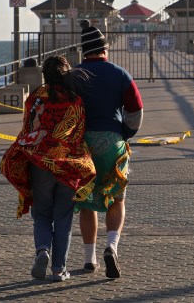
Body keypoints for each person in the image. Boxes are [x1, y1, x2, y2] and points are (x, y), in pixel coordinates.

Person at [0, 56, 96, 282]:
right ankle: (58, 269)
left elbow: (27, 130)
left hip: (39, 163)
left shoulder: (34, 99)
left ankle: (43, 250)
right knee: (63, 217)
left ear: (45, 75)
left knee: (42, 214)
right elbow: (79, 133)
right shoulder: (75, 100)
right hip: (67, 165)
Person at [74, 20, 144, 279]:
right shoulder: (120, 74)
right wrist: (126, 133)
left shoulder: (74, 75)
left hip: (82, 145)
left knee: (86, 203)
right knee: (117, 198)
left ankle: (89, 259)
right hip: (112, 142)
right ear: (105, 49)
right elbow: (136, 109)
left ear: (84, 51)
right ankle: (111, 246)